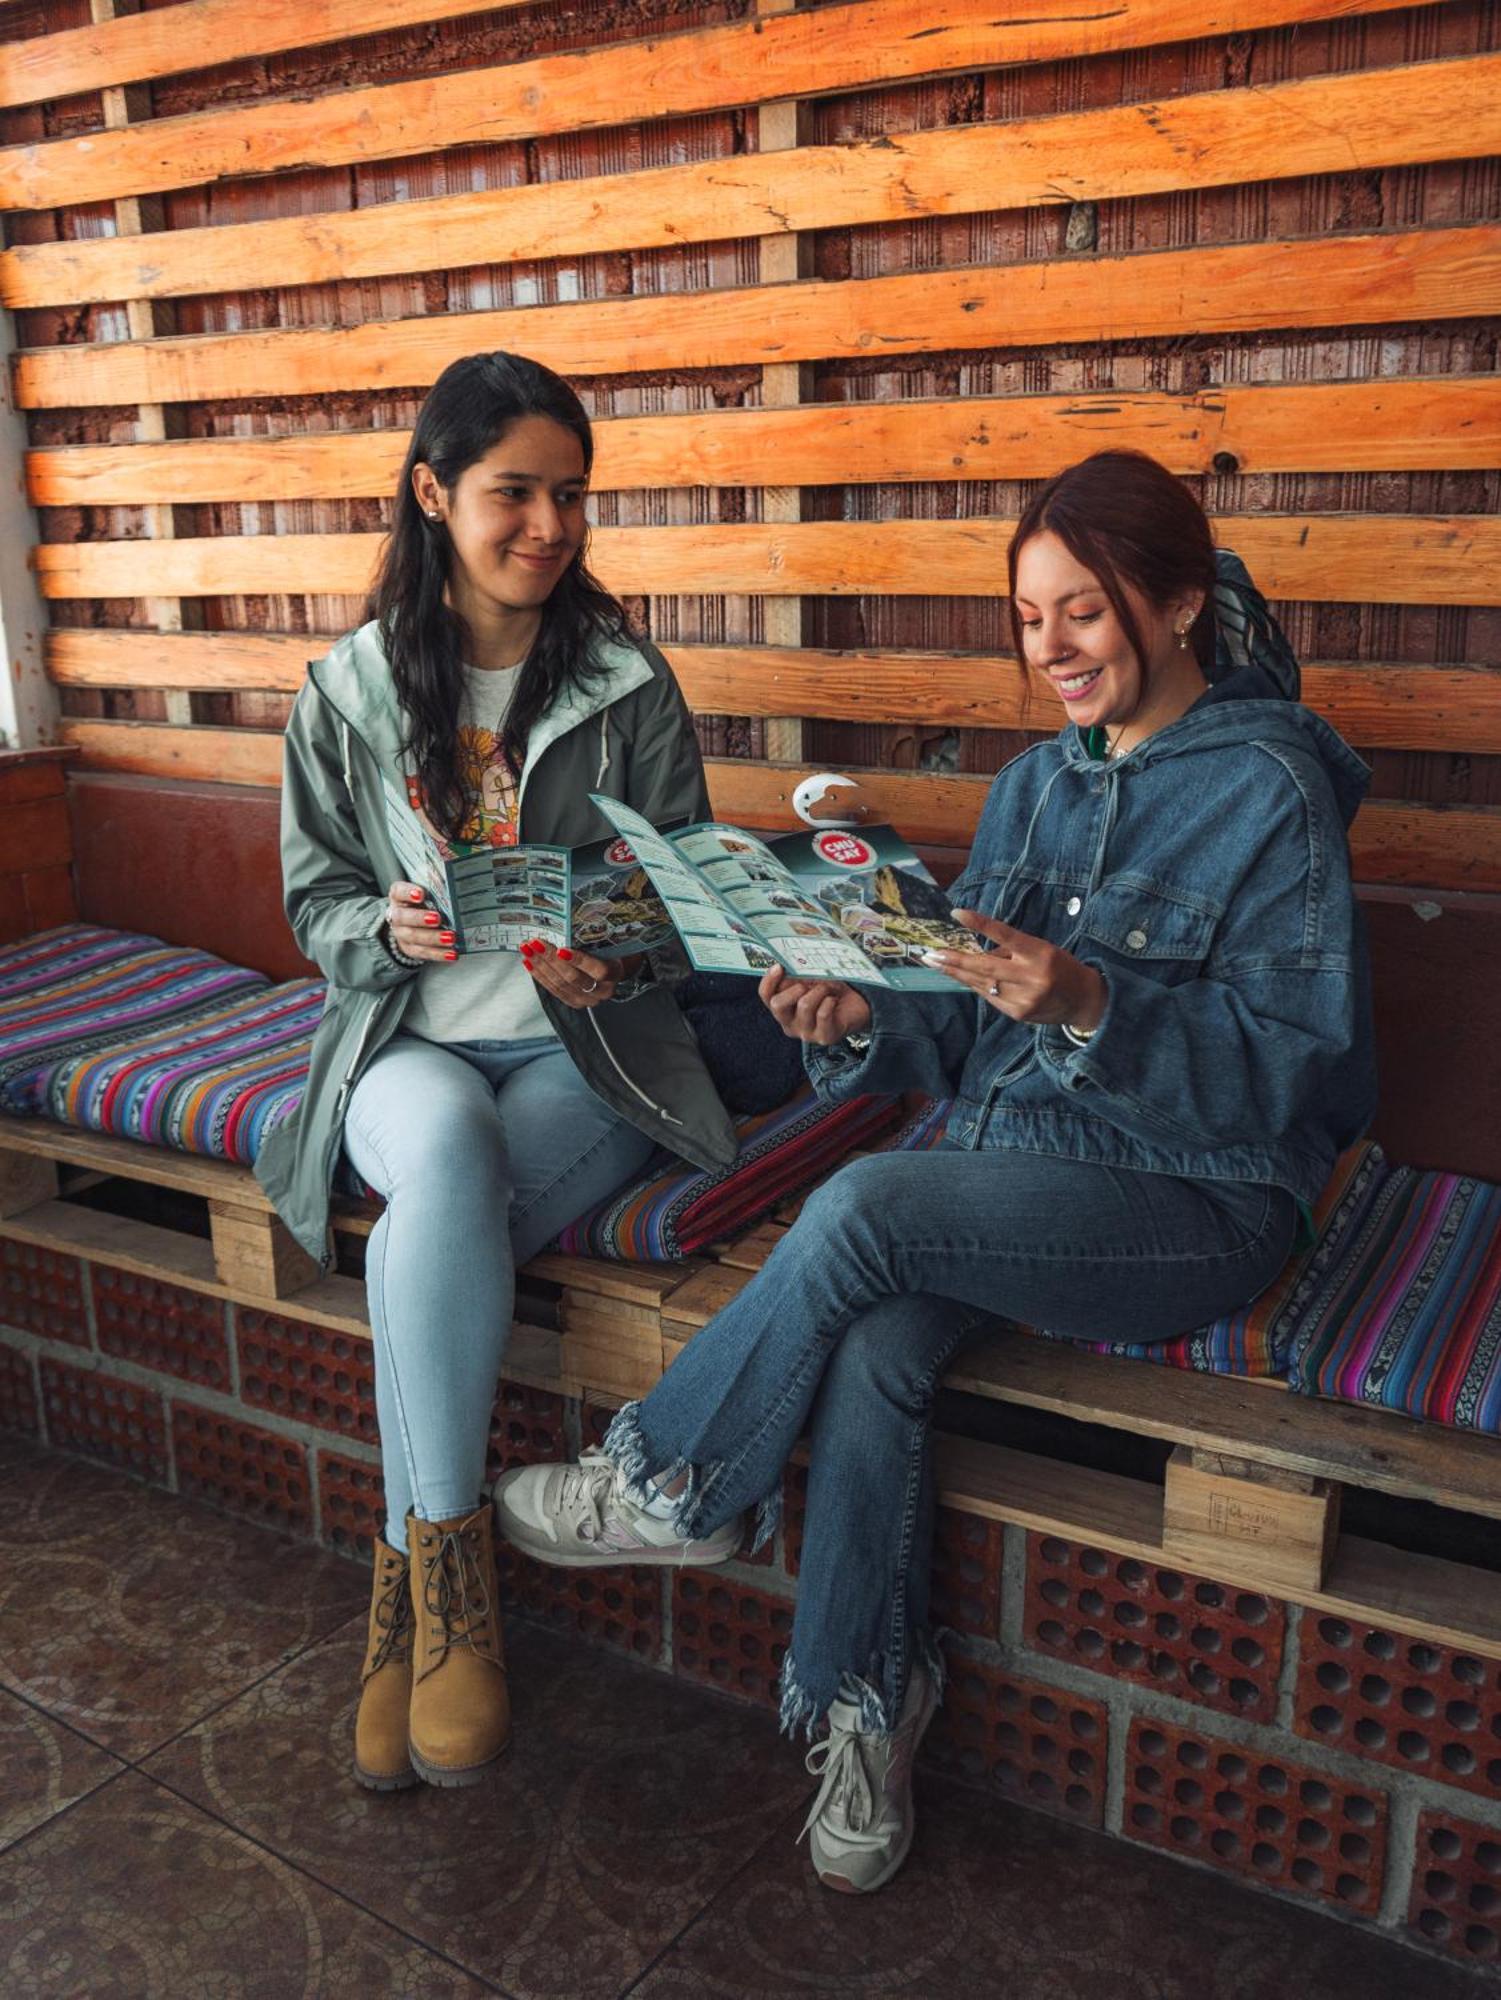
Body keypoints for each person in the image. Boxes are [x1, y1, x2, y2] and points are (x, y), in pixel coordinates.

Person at [492, 449, 1377, 1890]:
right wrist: (853, 1020)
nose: (1053, 652)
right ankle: (864, 1706)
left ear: (1171, 602)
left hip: (1197, 1202)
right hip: (1015, 1169)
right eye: (1029, 622)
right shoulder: (1032, 792)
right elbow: (966, 1029)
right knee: (875, 1346)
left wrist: (1092, 1003)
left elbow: (1288, 1070)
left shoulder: (1269, 791)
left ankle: (669, 1481)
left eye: (1082, 613)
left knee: (858, 1208)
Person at [254, 350, 742, 1793]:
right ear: (431, 493)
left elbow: (681, 895)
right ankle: (452, 1571)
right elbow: (313, 901)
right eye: (512, 494)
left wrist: (616, 954)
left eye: (570, 497)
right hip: (406, 1042)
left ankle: (407, 1596)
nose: (548, 526)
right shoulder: (345, 694)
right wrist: (383, 930)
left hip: (583, 1052)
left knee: (436, 1219)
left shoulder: (624, 681)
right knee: (443, 1156)